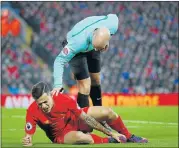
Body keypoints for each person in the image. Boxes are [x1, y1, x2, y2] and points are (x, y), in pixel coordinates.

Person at [22, 82, 148, 146]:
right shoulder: (32, 111)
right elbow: (29, 135)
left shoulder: (64, 99)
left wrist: (110, 131)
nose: (43, 106)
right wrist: (28, 140)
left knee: (108, 112)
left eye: (45, 102)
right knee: (84, 138)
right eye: (40, 104)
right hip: (61, 134)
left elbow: (86, 118)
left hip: (75, 120)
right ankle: (108, 141)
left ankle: (128, 135)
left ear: (51, 94)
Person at [51, 14, 119, 108]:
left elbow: (113, 16)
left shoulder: (113, 24)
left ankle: (99, 112)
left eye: (99, 48)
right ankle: (83, 119)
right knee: (85, 85)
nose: (97, 50)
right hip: (78, 49)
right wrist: (57, 84)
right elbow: (59, 61)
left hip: (92, 43)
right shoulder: (76, 43)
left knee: (96, 79)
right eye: (96, 47)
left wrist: (105, 42)